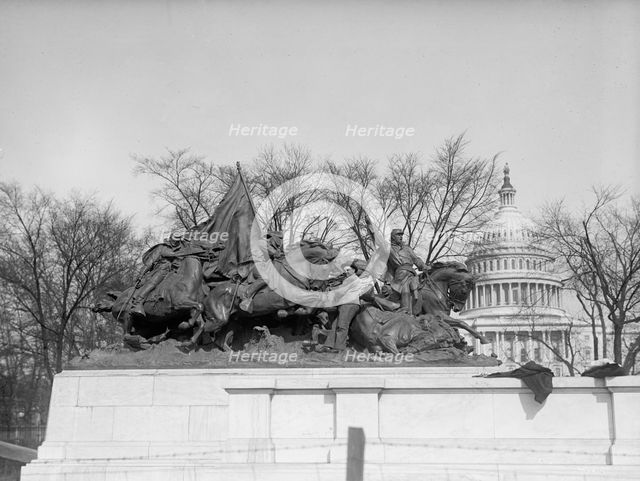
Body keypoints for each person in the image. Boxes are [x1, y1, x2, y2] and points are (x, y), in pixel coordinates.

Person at [319, 262, 374, 352]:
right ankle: (328, 345)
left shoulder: (351, 279)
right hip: (347, 304)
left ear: (354, 271)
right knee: (335, 325)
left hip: (349, 304)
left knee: (342, 326)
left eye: (348, 270)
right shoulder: (351, 279)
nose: (346, 272)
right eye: (346, 270)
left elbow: (341, 291)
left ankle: (339, 348)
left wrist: (328, 291)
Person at [387, 228, 426, 315]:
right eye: (398, 235)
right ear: (393, 237)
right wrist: (370, 226)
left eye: (402, 235)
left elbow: (416, 259)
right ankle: (406, 312)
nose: (401, 237)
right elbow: (377, 241)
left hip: (412, 273)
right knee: (405, 290)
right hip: (401, 274)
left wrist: (423, 266)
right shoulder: (389, 249)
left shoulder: (407, 249)